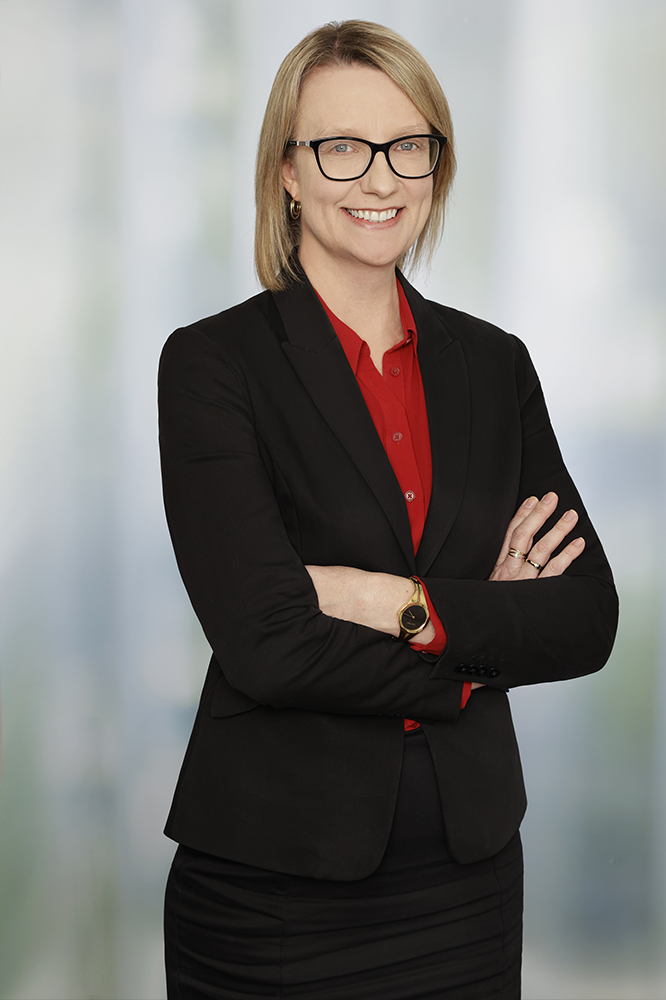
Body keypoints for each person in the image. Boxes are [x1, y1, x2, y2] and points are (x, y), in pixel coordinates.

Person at [158, 19, 618, 999]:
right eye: (342, 147)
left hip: (468, 876)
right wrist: (472, 649)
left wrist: (387, 600)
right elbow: (267, 644)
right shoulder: (214, 365)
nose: (379, 178)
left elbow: (584, 616)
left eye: (409, 145)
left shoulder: (494, 366)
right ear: (287, 169)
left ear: (436, 163)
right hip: (271, 890)